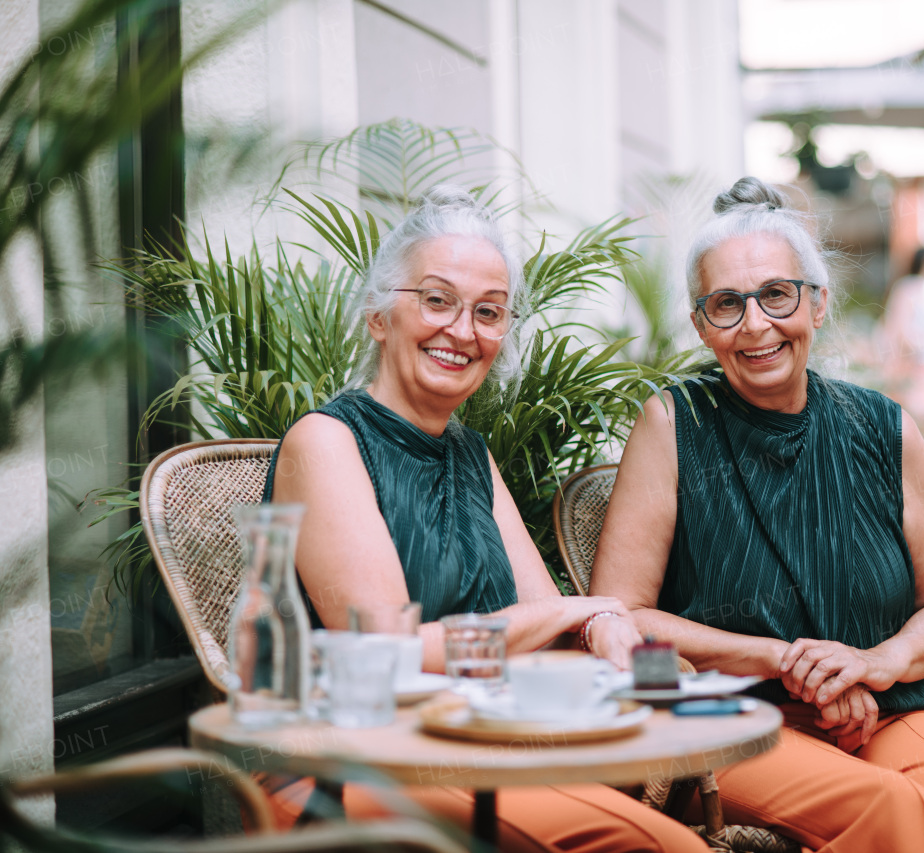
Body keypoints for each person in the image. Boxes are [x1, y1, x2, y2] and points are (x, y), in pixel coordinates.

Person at [591, 177, 924, 853]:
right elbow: (620, 614)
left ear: (817, 302)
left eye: (776, 295)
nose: (755, 324)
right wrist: (786, 661)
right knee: (894, 812)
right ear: (700, 325)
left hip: (884, 712)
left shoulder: (884, 427)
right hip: (732, 723)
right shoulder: (674, 423)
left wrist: (876, 663)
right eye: (726, 304)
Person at [263, 186, 708, 853]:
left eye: (489, 312)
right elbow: (388, 653)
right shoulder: (325, 442)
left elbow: (552, 610)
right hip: (352, 764)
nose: (463, 330)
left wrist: (602, 622)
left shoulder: (470, 453)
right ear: (379, 316)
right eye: (437, 300)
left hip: (481, 747)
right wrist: (579, 612)